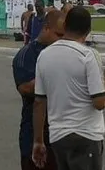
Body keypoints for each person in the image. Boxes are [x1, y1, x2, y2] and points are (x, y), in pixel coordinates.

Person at [33, 6, 105, 170]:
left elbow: (39, 102)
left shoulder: (44, 55)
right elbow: (99, 103)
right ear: (88, 30)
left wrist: (38, 141)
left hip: (58, 136)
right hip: (87, 134)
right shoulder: (88, 55)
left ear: (65, 25)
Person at [13, 10, 63, 170]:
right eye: (59, 35)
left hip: (62, 131)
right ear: (46, 29)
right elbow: (25, 88)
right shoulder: (26, 55)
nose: (62, 40)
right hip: (33, 132)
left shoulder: (64, 53)